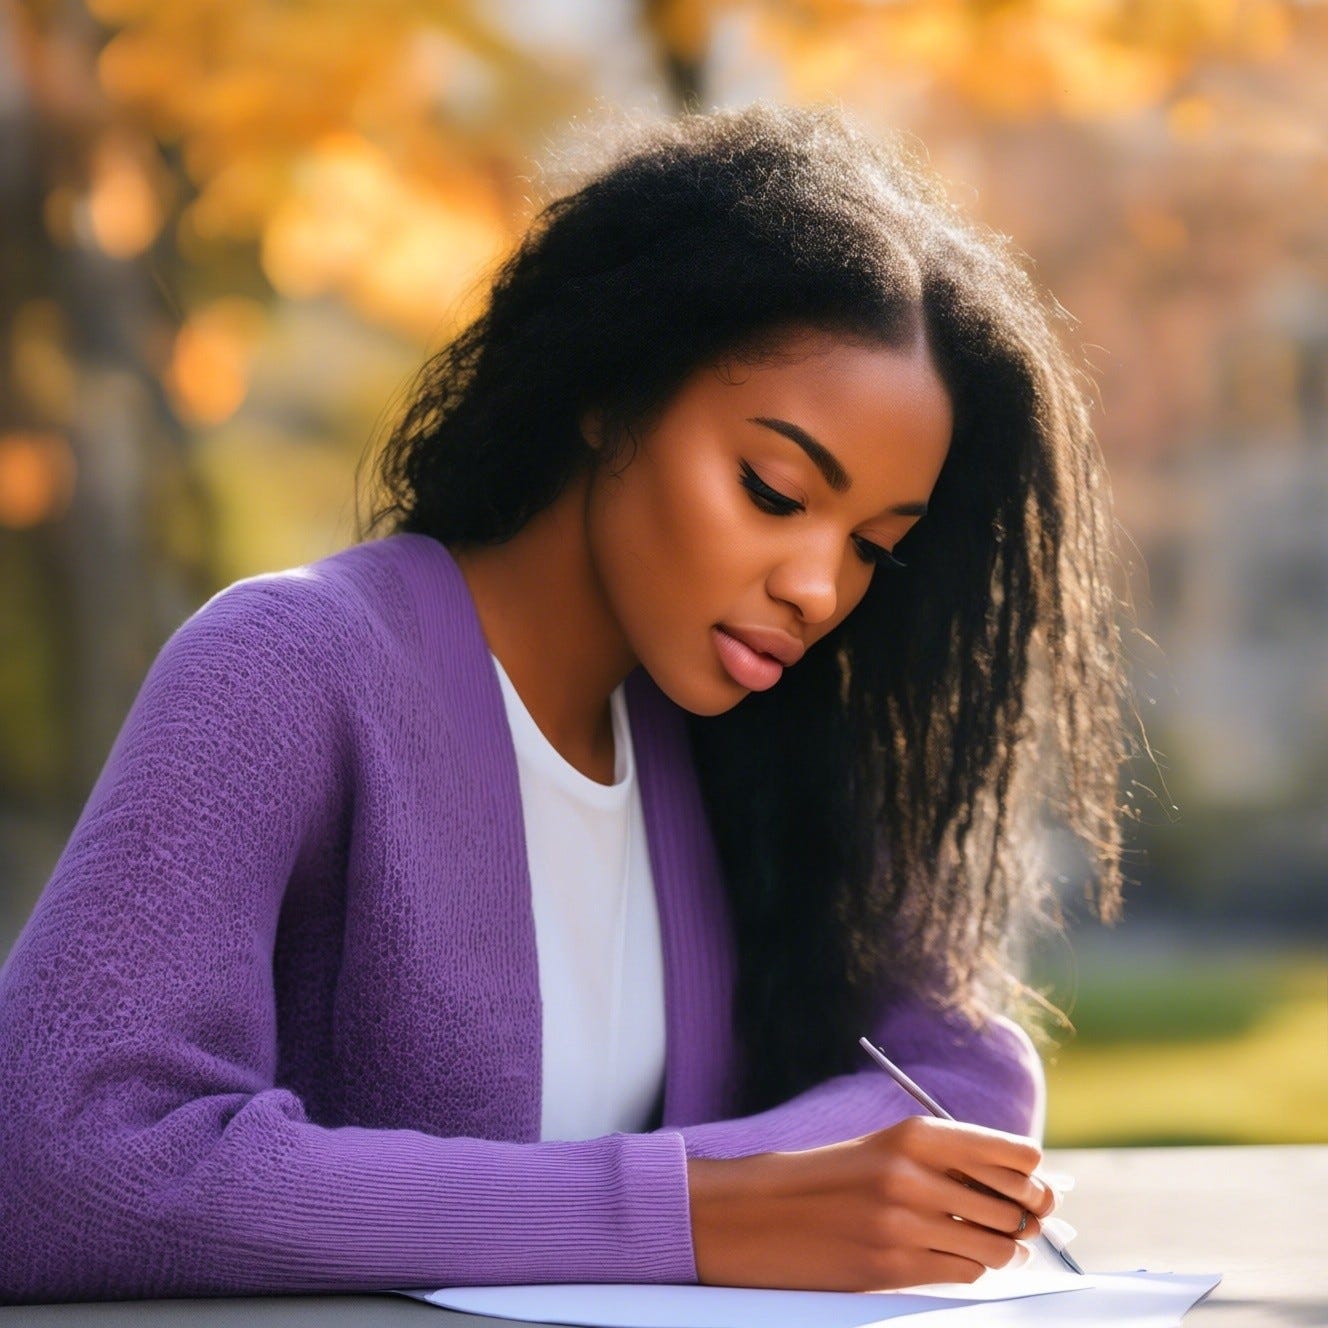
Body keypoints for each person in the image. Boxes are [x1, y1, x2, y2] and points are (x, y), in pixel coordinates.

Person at [0, 103, 1129, 1304]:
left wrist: (747, 1198)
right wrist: (692, 1213)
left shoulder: (750, 737)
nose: (817, 587)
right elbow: (59, 1165)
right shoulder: (288, 667)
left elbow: (963, 1072)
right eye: (772, 487)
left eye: (873, 548)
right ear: (608, 390)